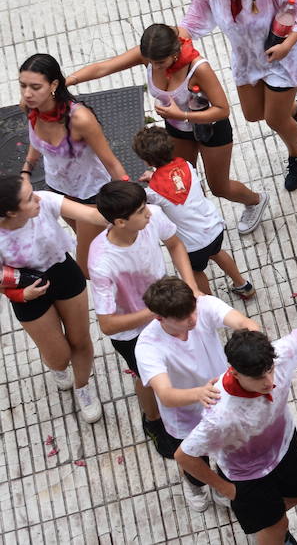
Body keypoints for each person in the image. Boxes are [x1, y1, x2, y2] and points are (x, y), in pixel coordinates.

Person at [67, 23, 265, 228]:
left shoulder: (198, 68)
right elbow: (103, 67)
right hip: (177, 131)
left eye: (160, 62)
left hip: (210, 129)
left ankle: (256, 201)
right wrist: (67, 81)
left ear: (175, 52)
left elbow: (223, 109)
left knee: (219, 186)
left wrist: (182, 114)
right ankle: (202, 220)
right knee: (183, 183)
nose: (156, 67)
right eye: (151, 62)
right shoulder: (150, 56)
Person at [175, 318, 297, 545]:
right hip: (247, 474)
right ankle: (273, 527)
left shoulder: (277, 355)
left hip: (284, 447)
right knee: (277, 527)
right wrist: (227, 490)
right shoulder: (220, 415)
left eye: (270, 371)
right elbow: (184, 456)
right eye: (258, 378)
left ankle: (271, 520)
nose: (269, 382)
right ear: (235, 373)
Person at [180, 0, 297, 191]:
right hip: (247, 61)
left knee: (274, 120)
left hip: (281, 61)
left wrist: (287, 45)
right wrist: (170, 40)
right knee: (253, 115)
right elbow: (192, 21)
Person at [87, 180, 198, 454]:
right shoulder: (102, 262)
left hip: (164, 310)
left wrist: (191, 286)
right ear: (120, 222)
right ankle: (152, 420)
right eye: (140, 211)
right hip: (132, 333)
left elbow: (174, 244)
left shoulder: (153, 217)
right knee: (146, 379)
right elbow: (107, 323)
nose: (149, 212)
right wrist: (155, 311)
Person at [136, 277, 259, 510]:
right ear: (159, 318)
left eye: (193, 311)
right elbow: (165, 394)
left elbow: (245, 323)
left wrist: (252, 350)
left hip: (223, 405)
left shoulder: (203, 306)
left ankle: (221, 482)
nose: (193, 320)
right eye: (183, 318)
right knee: (195, 460)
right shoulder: (147, 346)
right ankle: (195, 485)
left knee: (228, 451)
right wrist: (199, 393)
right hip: (184, 417)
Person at [0, 173, 107, 423]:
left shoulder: (44, 201)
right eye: (28, 199)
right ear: (10, 214)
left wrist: (130, 210)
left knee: (80, 341)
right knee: (59, 356)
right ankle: (58, 369)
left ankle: (83, 388)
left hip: (63, 272)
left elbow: (91, 215)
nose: (37, 197)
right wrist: (20, 294)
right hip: (27, 291)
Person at [19, 53, 127, 268]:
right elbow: (36, 142)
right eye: (23, 85)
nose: (27, 94)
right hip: (57, 190)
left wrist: (131, 199)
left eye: (35, 87)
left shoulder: (80, 119)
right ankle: (118, 267)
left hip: (90, 194)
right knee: (97, 245)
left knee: (86, 266)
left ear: (54, 85)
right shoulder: (30, 107)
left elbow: (111, 162)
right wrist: (26, 171)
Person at [133, 126, 256, 298]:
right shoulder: (187, 166)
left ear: (147, 162)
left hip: (192, 246)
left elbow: (146, 198)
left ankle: (211, 303)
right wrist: (155, 177)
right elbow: (174, 182)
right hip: (214, 229)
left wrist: (152, 181)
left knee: (196, 272)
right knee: (218, 254)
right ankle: (243, 285)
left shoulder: (153, 193)